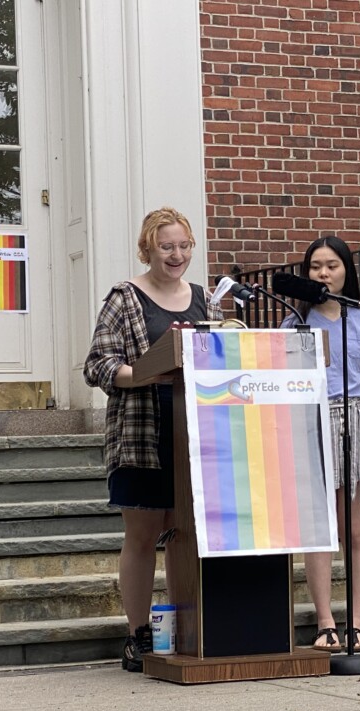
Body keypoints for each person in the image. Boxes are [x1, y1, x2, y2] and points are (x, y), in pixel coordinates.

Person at [83, 207, 222, 671]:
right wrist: (140, 374)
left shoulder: (205, 299)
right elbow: (98, 363)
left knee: (191, 536)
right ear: (149, 248)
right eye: (167, 247)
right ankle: (137, 634)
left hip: (196, 437)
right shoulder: (125, 297)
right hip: (142, 434)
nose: (177, 255)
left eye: (184, 246)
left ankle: (195, 627)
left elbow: (224, 355)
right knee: (142, 536)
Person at [281, 236, 360, 652]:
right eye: (315, 266)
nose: (323, 273)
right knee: (320, 529)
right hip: (312, 419)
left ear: (347, 270)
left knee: (356, 531)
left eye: (331, 265)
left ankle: (357, 622)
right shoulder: (295, 321)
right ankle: (325, 621)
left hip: (358, 418)